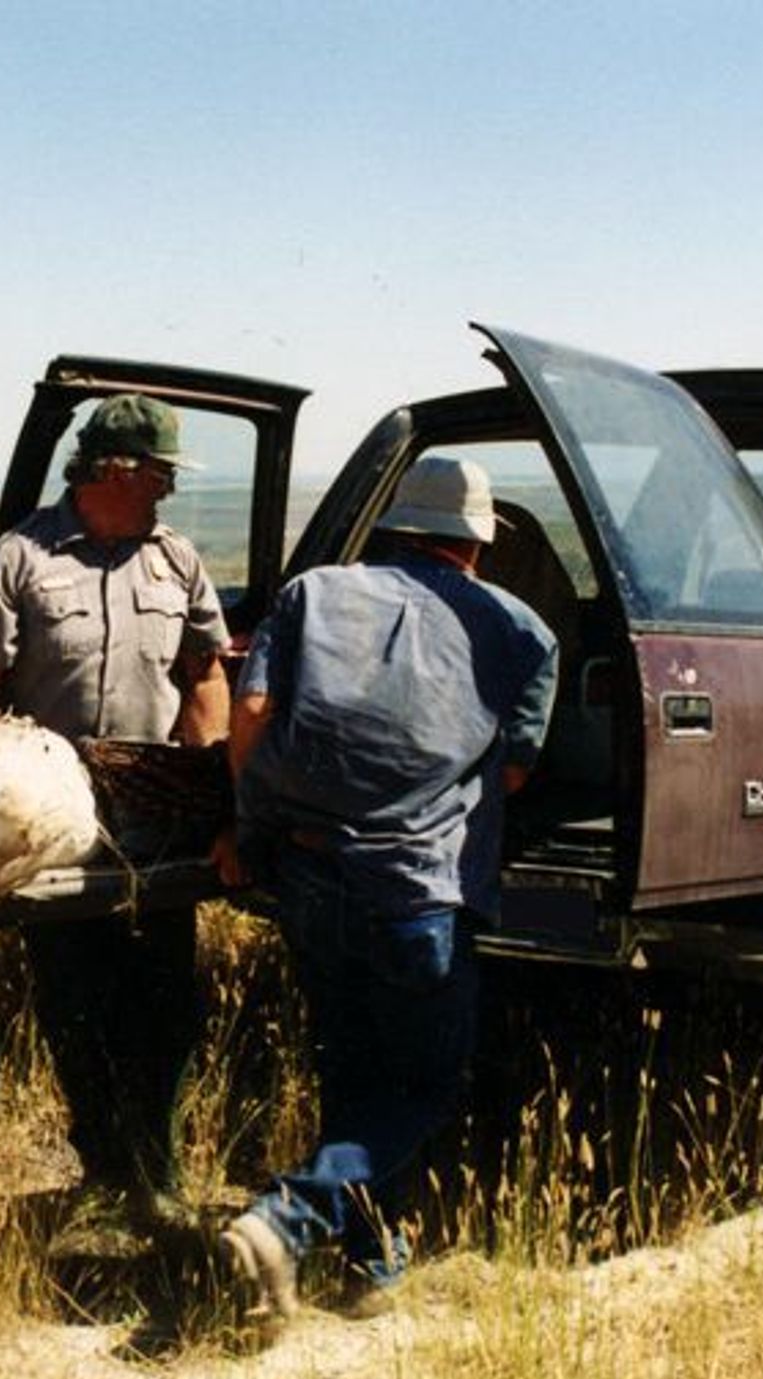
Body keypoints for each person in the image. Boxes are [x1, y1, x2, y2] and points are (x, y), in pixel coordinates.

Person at [213, 455, 557, 1329]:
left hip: (307, 870)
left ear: (397, 524)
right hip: (417, 887)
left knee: (355, 1073)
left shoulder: (311, 593)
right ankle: (284, 1219)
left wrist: (254, 830)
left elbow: (249, 719)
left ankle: (375, 1265)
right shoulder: (523, 633)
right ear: (477, 541)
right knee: (426, 1084)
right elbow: (513, 774)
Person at [0, 392, 230, 1236]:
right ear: (113, 470)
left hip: (155, 824)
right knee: (76, 1003)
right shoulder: (21, 560)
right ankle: (104, 1175)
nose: (168, 492)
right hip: (57, 832)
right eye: (159, 474)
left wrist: (201, 772)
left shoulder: (175, 560)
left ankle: (160, 1173)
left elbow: (207, 672)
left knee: (167, 1001)